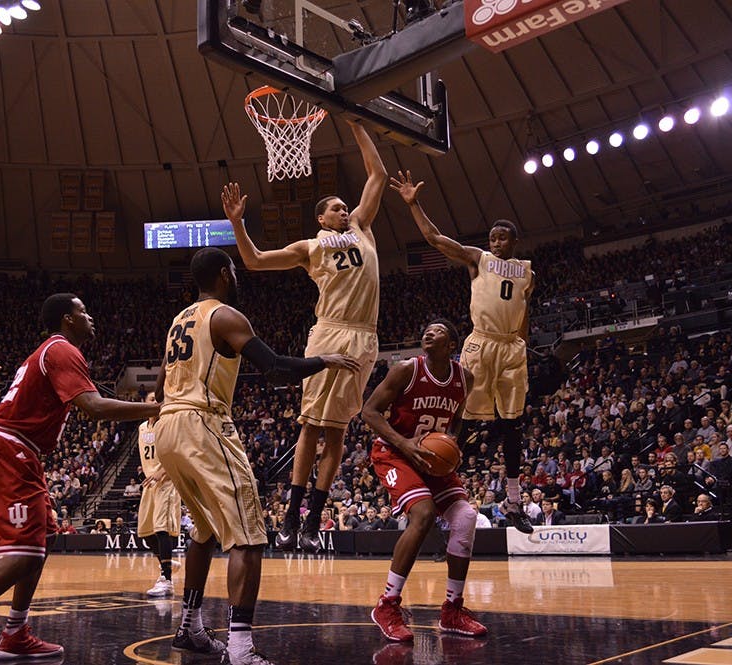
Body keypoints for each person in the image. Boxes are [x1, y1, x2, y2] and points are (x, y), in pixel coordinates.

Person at [0, 293, 161, 665]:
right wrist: (155, 408)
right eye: (83, 312)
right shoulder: (62, 349)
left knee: (44, 536)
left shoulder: (53, 352)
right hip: (9, 447)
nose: (91, 318)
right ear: (67, 319)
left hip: (15, 448)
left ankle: (15, 632)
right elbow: (95, 408)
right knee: (25, 551)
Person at [152, 247, 358, 665]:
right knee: (248, 534)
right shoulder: (225, 315)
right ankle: (242, 649)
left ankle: (190, 627)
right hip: (203, 423)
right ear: (226, 274)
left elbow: (160, 382)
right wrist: (325, 360)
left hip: (168, 426)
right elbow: (276, 368)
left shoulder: (179, 320)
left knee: (205, 531)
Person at [223, 120, 387, 553]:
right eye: (336, 207)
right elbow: (255, 261)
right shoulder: (311, 247)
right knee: (310, 427)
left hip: (364, 338)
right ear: (321, 218)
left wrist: (354, 122)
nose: (344, 210)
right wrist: (238, 224)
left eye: (345, 206)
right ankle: (291, 516)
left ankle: (314, 518)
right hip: (330, 334)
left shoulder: (364, 229)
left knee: (337, 433)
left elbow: (379, 175)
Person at [391, 170, 534, 534]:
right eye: (492, 238)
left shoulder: (526, 272)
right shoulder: (478, 258)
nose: (496, 242)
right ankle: (433, 487)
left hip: (512, 347)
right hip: (482, 342)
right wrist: (414, 203)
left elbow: (524, 312)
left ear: (515, 240)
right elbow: (435, 238)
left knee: (512, 424)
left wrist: (524, 344)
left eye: (502, 238)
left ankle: (515, 501)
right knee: (464, 419)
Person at [361, 319, 488, 643]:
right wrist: (405, 445)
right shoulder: (406, 369)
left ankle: (452, 610)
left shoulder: (465, 379)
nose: (428, 333)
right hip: (394, 451)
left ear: (451, 346)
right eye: (426, 330)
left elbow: (457, 420)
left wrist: (450, 441)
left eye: (438, 331)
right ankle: (387, 605)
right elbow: (370, 411)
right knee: (423, 513)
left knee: (466, 516)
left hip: (429, 457)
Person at [137, 393, 182, 599]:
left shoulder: (167, 424)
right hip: (150, 482)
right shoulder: (142, 428)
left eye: (158, 399)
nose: (156, 402)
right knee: (145, 532)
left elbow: (175, 451)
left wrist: (161, 471)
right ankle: (166, 561)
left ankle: (166, 580)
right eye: (152, 398)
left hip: (167, 480)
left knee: (162, 529)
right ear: (144, 404)